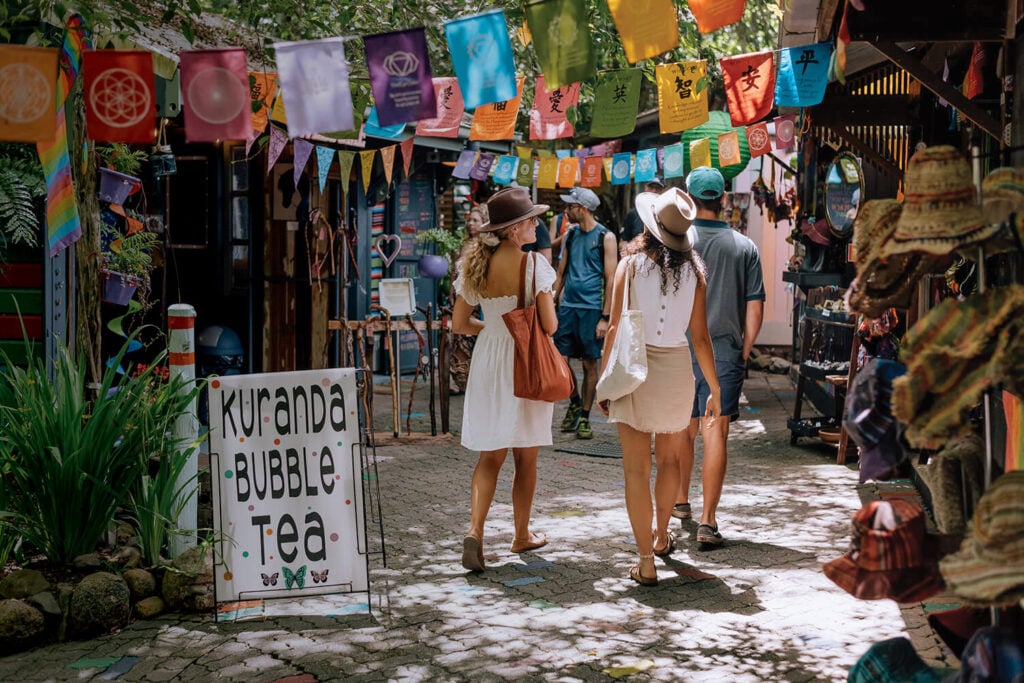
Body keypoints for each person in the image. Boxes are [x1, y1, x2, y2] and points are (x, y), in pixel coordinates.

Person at [599, 187, 721, 586]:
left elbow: (615, 326)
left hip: (635, 366)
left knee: (637, 469)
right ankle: (662, 536)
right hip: (676, 370)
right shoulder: (696, 272)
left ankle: (645, 561)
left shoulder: (630, 266)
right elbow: (700, 338)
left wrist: (604, 381)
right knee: (670, 462)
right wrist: (715, 389)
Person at [452, 187, 559, 572]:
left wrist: (493, 327)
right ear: (515, 230)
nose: (537, 224)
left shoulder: (475, 266)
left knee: (490, 455)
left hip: (489, 359)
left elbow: (460, 324)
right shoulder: (535, 267)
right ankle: (521, 534)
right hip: (524, 361)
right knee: (525, 455)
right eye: (531, 220)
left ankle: (475, 532)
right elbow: (550, 325)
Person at [673, 166, 765, 548]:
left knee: (683, 426)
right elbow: (755, 309)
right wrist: (743, 351)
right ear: (723, 200)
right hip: (724, 350)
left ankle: (680, 501)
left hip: (679, 347)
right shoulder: (745, 247)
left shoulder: (676, 241)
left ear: (691, 202)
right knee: (716, 432)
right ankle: (708, 522)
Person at [553, 187, 618, 440]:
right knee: (560, 359)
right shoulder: (570, 235)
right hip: (568, 306)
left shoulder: (606, 237)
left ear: (584, 208)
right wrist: (553, 300)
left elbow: (611, 278)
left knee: (590, 363)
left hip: (592, 308)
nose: (567, 210)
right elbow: (561, 273)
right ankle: (574, 401)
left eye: (571, 206)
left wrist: (605, 316)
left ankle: (584, 416)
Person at [449, 205, 488, 394]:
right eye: (469, 220)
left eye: (475, 220)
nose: (471, 224)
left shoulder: (486, 249)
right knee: (458, 350)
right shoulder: (463, 246)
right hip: (459, 300)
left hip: (476, 304)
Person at [620, 178, 667, 244]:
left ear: (664, 191)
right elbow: (624, 240)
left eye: (658, 188)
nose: (654, 191)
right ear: (645, 188)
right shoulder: (634, 214)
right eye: (651, 187)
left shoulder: (668, 213)